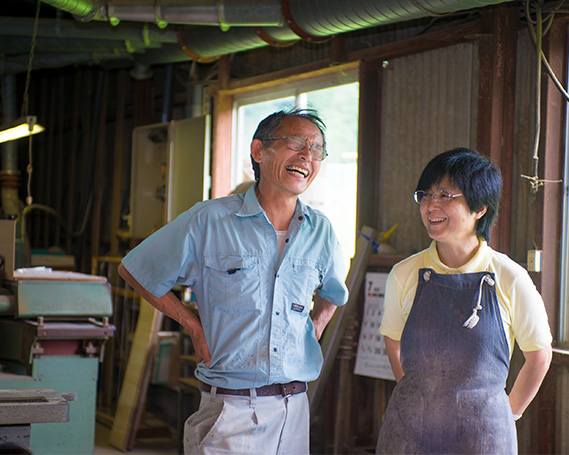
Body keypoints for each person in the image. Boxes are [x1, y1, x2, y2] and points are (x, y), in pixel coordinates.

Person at [118, 108, 348, 455]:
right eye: (296, 143)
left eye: (317, 149)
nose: (307, 156)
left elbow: (334, 292)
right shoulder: (210, 220)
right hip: (231, 410)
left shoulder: (322, 231)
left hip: (294, 410)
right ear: (259, 151)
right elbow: (136, 270)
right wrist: (193, 326)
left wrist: (314, 326)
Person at [376, 148, 552, 454]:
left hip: (484, 438)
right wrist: (420, 401)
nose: (431, 205)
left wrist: (505, 415)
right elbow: (394, 341)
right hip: (408, 437)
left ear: (480, 207)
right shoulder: (404, 274)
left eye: (445, 195)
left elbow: (539, 355)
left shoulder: (511, 277)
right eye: (426, 194)